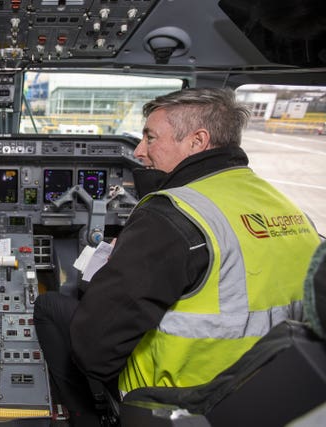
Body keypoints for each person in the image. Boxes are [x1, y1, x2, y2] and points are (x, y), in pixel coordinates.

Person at [33, 87, 321, 425]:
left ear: (197, 141)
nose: (139, 151)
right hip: (271, 390)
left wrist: (107, 277)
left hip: (176, 399)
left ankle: (90, 418)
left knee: (51, 306)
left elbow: (94, 351)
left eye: (150, 138)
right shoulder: (285, 206)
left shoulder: (170, 215)